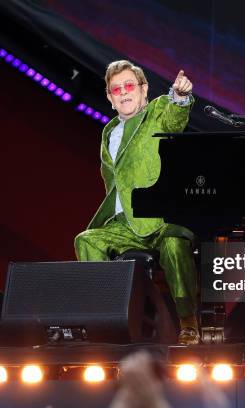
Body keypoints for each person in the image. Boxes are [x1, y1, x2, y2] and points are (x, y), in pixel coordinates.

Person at [74, 60, 199, 345]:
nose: (123, 92)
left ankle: (189, 323)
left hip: (160, 219)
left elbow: (174, 119)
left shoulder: (155, 112)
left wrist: (179, 98)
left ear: (144, 90)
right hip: (124, 224)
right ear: (109, 97)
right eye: (116, 89)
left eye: (130, 86)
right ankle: (104, 320)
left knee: (174, 244)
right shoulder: (108, 132)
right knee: (86, 240)